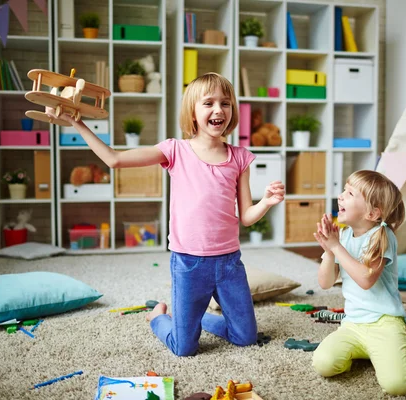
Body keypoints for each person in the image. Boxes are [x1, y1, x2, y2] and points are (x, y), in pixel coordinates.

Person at [48, 72, 285, 356]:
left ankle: (195, 320)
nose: (218, 110)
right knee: (184, 348)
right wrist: (77, 122)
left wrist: (267, 202)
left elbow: (246, 216)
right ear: (193, 112)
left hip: (229, 263)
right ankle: (158, 317)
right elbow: (115, 159)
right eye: (208, 103)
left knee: (245, 338)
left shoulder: (240, 157)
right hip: (188, 264)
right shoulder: (175, 150)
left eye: (225, 103)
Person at [311, 170, 406, 396]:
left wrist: (336, 248)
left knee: (399, 386)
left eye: (349, 193)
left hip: (385, 322)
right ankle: (370, 353)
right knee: (323, 364)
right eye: (344, 190)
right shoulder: (344, 236)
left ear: (372, 213)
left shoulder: (383, 236)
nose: (340, 196)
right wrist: (330, 252)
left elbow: (366, 279)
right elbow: (325, 282)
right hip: (353, 323)